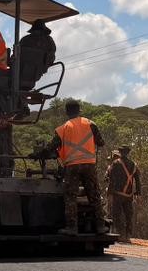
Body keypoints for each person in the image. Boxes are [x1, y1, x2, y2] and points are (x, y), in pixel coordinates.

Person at [32, 101, 108, 236]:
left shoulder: (63, 128)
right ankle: (101, 227)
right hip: (89, 164)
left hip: (72, 166)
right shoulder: (91, 124)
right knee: (94, 195)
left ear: (67, 112)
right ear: (80, 110)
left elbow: (50, 147)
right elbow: (101, 142)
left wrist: (37, 154)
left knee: (70, 197)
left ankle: (72, 228)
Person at [106, 145, 141, 243]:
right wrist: (138, 192)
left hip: (117, 193)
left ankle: (120, 234)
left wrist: (110, 192)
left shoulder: (115, 163)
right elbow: (138, 180)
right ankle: (128, 236)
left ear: (120, 153)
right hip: (129, 195)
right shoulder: (133, 164)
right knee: (128, 215)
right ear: (128, 153)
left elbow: (111, 178)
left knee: (116, 214)